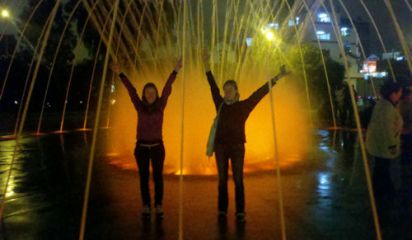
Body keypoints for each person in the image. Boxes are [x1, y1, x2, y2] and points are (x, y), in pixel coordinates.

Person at [203, 51, 288, 222]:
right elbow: (212, 85)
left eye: (230, 90)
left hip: (237, 148)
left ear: (236, 91)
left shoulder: (244, 106)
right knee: (221, 180)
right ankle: (222, 210)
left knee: (238, 179)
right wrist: (206, 65)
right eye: (225, 90)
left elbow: (260, 93)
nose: (227, 92)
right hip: (220, 147)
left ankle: (240, 212)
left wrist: (278, 77)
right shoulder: (219, 104)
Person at [111, 59, 182, 218]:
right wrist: (120, 73)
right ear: (144, 95)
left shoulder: (161, 104)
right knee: (143, 178)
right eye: (147, 92)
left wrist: (175, 71)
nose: (150, 94)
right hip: (141, 148)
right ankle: (146, 205)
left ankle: (158, 204)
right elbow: (131, 90)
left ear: (156, 94)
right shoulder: (139, 105)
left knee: (158, 177)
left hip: (157, 147)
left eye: (152, 92)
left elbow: (167, 88)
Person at [366, 81, 403, 199]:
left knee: (381, 168)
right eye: (399, 93)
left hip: (379, 145)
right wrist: (392, 145)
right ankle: (382, 193)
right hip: (383, 145)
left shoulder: (384, 105)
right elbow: (386, 129)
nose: (400, 96)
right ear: (392, 94)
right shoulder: (386, 108)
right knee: (382, 168)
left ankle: (383, 191)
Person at [400, 87, 412, 190]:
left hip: (403, 132)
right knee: (408, 152)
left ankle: (405, 170)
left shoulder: (400, 105)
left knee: (405, 152)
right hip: (408, 132)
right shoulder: (407, 106)